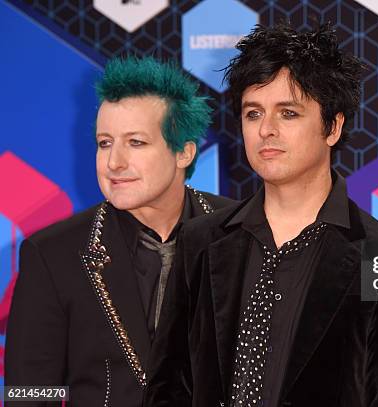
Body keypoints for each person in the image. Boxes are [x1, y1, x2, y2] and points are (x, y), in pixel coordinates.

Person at [145, 23, 378, 407]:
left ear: (333, 126)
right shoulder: (200, 241)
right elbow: (167, 388)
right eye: (253, 113)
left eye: (288, 113)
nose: (266, 131)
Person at [5, 56, 234, 406]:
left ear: (184, 152)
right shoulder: (53, 254)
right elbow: (30, 393)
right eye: (105, 143)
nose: (114, 163)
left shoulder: (242, 232)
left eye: (136, 143)